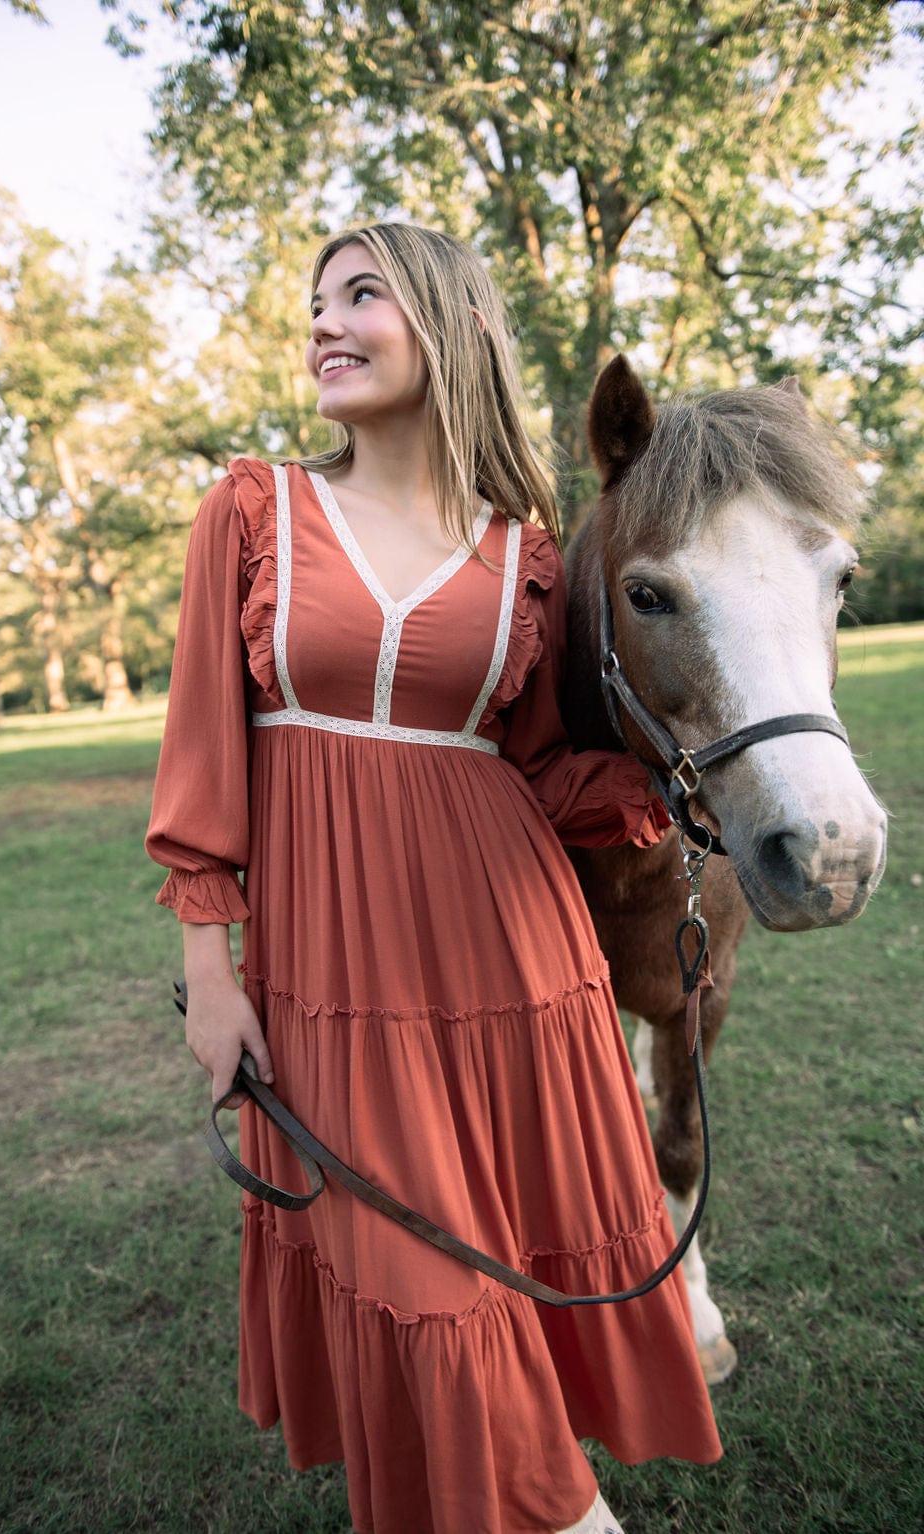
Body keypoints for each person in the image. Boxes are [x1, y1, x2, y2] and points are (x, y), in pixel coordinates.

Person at [145, 222, 722, 1534]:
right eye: (316, 305)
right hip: (334, 976)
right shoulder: (253, 511)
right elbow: (199, 759)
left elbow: (529, 769)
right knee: (424, 1280)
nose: (325, 324)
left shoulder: (518, 552)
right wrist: (205, 970)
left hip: (517, 968)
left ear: (452, 324)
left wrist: (659, 786)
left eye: (363, 296)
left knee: (496, 1279)